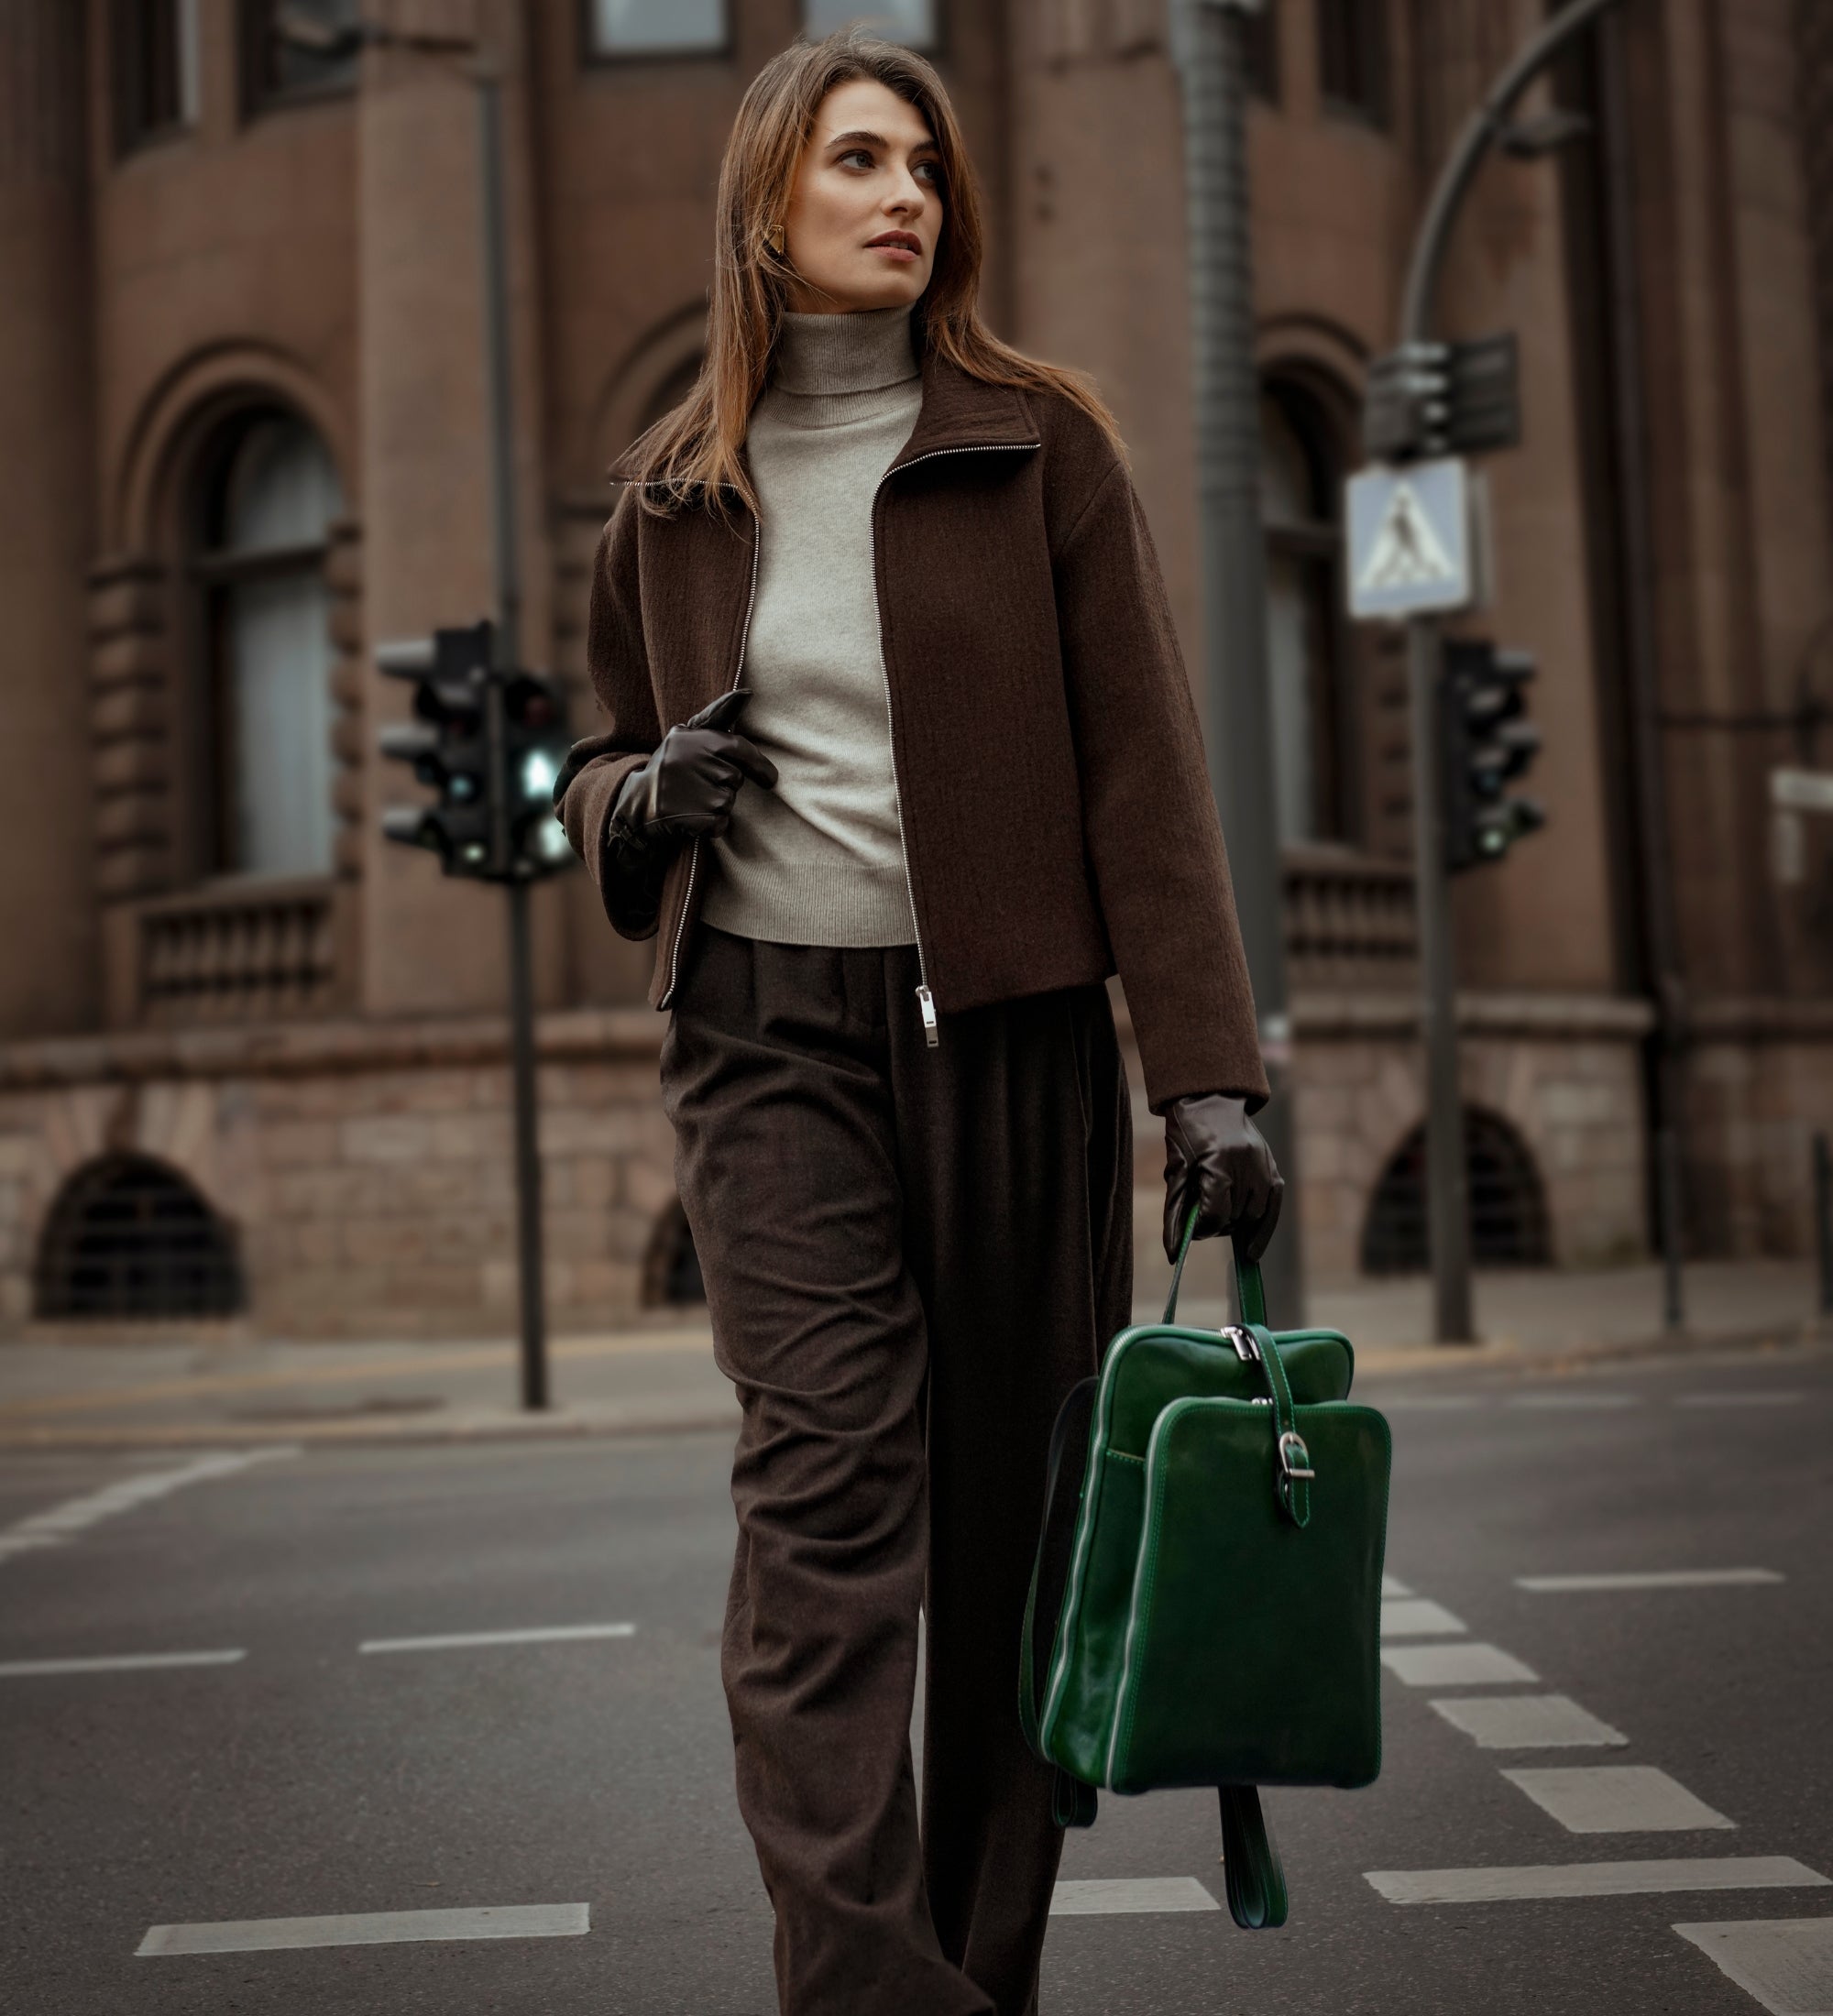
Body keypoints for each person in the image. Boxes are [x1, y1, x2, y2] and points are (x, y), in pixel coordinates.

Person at [554, 28, 1282, 2016]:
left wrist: (1205, 1071)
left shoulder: (1037, 442)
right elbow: (590, 752)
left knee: (1010, 1546)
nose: (905, 198)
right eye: (859, 161)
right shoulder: (675, 493)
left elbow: (1145, 771)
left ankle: (986, 1969)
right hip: (765, 1035)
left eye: (925, 170)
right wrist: (635, 801)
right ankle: (868, 1987)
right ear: (765, 200)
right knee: (823, 1503)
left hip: (1012, 1041)